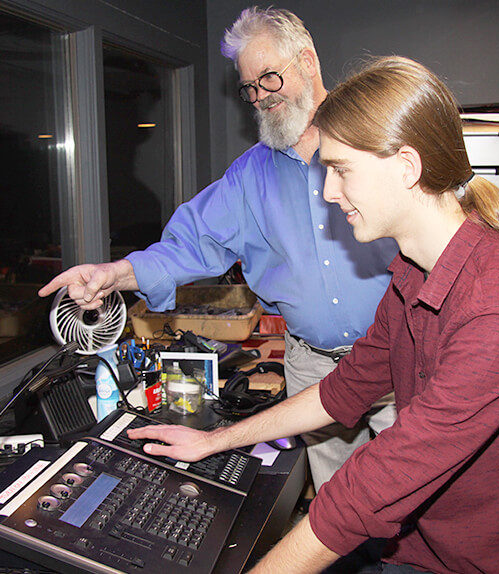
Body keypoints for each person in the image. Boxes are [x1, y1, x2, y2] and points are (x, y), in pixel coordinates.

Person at [127, 56, 499, 573]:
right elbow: (342, 391)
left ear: (407, 167)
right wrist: (214, 441)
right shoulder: (411, 275)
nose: (328, 193)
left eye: (341, 170)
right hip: (423, 549)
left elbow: (389, 473)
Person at [38, 7, 399, 491]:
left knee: (419, 507)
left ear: (308, 61)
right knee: (340, 510)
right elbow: (189, 245)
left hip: (398, 358)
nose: (260, 98)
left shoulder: (377, 139)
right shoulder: (250, 176)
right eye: (249, 88)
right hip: (311, 365)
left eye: (269, 78)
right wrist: (112, 274)